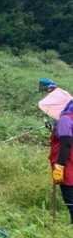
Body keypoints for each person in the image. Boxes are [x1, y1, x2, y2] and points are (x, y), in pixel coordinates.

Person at [39, 77, 73, 223]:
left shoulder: (65, 119)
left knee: (71, 202)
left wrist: (60, 166)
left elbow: (66, 143)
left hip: (69, 168)